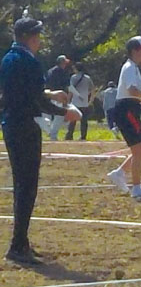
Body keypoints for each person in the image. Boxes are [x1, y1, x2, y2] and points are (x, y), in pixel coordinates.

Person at [0, 18, 82, 264]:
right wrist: (64, 112)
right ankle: (17, 245)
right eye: (36, 35)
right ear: (29, 36)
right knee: (27, 186)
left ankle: (21, 242)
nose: (39, 39)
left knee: (21, 184)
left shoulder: (8, 59)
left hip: (11, 124)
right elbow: (36, 100)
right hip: (26, 126)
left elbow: (21, 91)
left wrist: (49, 94)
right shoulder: (30, 61)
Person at [105, 36, 141, 199]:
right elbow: (131, 90)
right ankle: (136, 187)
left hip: (129, 110)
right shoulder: (129, 67)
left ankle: (120, 173)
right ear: (135, 51)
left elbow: (130, 93)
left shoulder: (133, 68)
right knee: (139, 150)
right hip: (126, 111)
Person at [45, 55, 73, 141]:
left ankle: (49, 129)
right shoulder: (63, 72)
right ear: (62, 63)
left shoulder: (50, 71)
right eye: (65, 62)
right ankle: (52, 134)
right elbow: (66, 85)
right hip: (60, 96)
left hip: (50, 94)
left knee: (48, 114)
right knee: (59, 115)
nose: (65, 64)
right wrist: (67, 97)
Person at [65, 63, 95, 141]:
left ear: (76, 69)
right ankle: (83, 136)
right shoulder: (87, 78)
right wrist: (90, 100)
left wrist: (67, 100)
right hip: (84, 102)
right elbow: (92, 89)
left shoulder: (73, 77)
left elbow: (71, 90)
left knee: (73, 120)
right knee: (84, 121)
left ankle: (69, 135)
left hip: (75, 102)